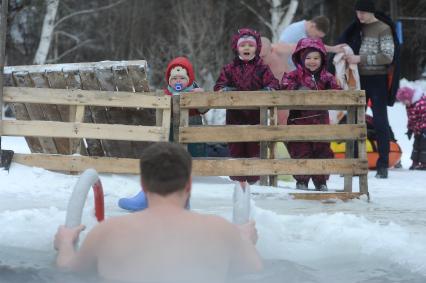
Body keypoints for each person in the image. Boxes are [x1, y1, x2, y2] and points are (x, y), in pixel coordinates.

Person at [54, 142, 262, 283]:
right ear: (189, 184)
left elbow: (69, 271)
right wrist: (244, 240)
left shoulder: (107, 232)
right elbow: (255, 270)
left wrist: (65, 243)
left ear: (143, 185)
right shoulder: (221, 230)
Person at [118, 57, 206, 211]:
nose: (178, 81)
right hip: (168, 133)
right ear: (169, 80)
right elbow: (156, 104)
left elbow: (204, 108)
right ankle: (147, 196)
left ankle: (182, 199)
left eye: (182, 78)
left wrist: (200, 96)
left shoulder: (193, 92)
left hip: (190, 135)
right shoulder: (166, 93)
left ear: (189, 79)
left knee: (183, 164)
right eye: (174, 78)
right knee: (161, 160)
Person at [338, 0, 400, 178]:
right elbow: (344, 44)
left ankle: (383, 165)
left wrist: (360, 58)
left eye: (363, 13)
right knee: (355, 121)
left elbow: (388, 56)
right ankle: (354, 163)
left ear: (371, 12)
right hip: (357, 79)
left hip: (377, 80)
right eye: (357, 13)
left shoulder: (383, 28)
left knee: (380, 122)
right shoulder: (356, 27)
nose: (360, 16)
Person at [214, 28, 280, 185]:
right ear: (237, 48)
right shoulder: (229, 68)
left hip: (256, 116)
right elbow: (218, 86)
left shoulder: (262, 68)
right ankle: (238, 182)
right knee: (236, 149)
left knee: (254, 149)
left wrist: (269, 89)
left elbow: (274, 83)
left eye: (250, 45)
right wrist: (225, 90)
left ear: (256, 48)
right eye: (243, 45)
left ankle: (254, 182)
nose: (246, 48)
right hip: (235, 117)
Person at [281, 38, 341, 191]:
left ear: (322, 59)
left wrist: (333, 93)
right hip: (299, 122)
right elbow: (285, 86)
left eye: (316, 58)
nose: (312, 61)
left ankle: (321, 181)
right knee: (300, 151)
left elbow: (337, 91)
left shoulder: (327, 77)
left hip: (320, 122)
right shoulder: (293, 76)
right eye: (308, 58)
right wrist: (298, 89)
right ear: (301, 58)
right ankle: (301, 181)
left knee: (321, 151)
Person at [279, 16, 346, 71]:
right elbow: (280, 51)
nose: (317, 39)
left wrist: (334, 49)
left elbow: (315, 45)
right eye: (316, 36)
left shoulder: (307, 33)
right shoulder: (295, 31)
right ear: (312, 26)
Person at [396, 86, 426, 170]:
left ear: (409, 97)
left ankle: (424, 163)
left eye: (404, 101)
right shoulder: (409, 106)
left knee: (424, 146)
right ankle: (415, 162)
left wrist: (424, 130)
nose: (403, 104)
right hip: (418, 130)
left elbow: (424, 117)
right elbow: (411, 119)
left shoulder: (421, 103)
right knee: (416, 146)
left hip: (424, 129)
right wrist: (410, 129)